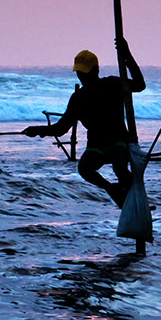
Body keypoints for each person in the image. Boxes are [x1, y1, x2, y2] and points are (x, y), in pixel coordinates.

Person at [23, 39, 144, 207]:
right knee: (84, 169)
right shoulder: (78, 98)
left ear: (96, 71)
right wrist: (38, 130)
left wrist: (127, 54)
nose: (82, 76)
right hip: (96, 145)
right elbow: (61, 128)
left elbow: (139, 85)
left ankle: (137, 199)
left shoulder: (113, 84)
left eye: (85, 72)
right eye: (79, 73)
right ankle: (111, 189)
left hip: (118, 141)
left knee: (120, 170)